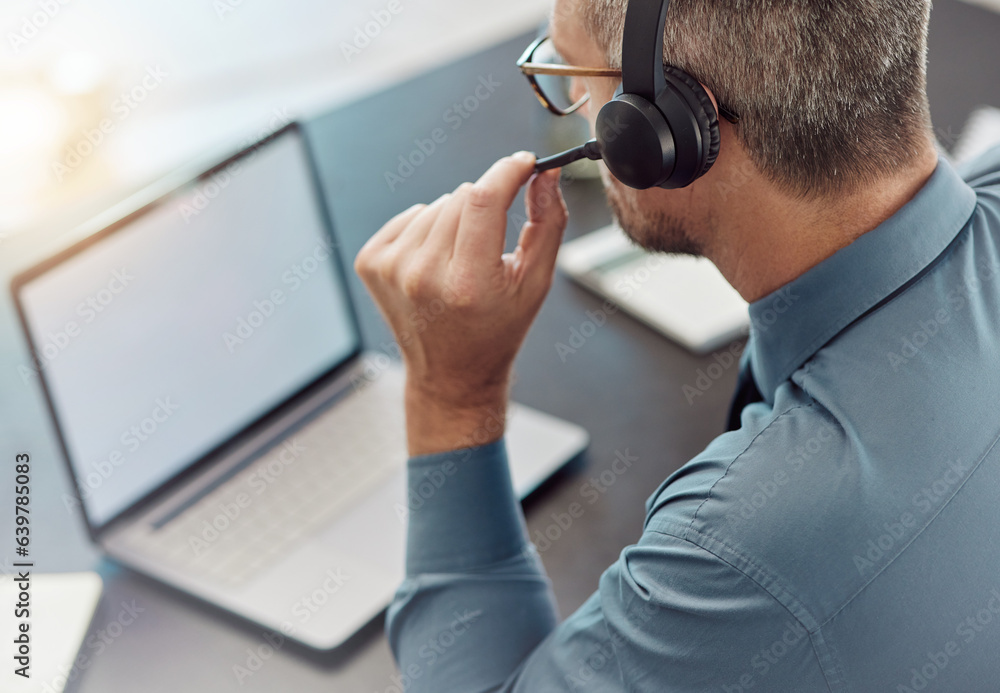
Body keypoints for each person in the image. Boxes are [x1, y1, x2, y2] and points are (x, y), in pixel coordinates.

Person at [354, 0, 1000, 689]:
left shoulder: (744, 547)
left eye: (577, 74)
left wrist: (452, 397)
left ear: (667, 125)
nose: (575, 103)